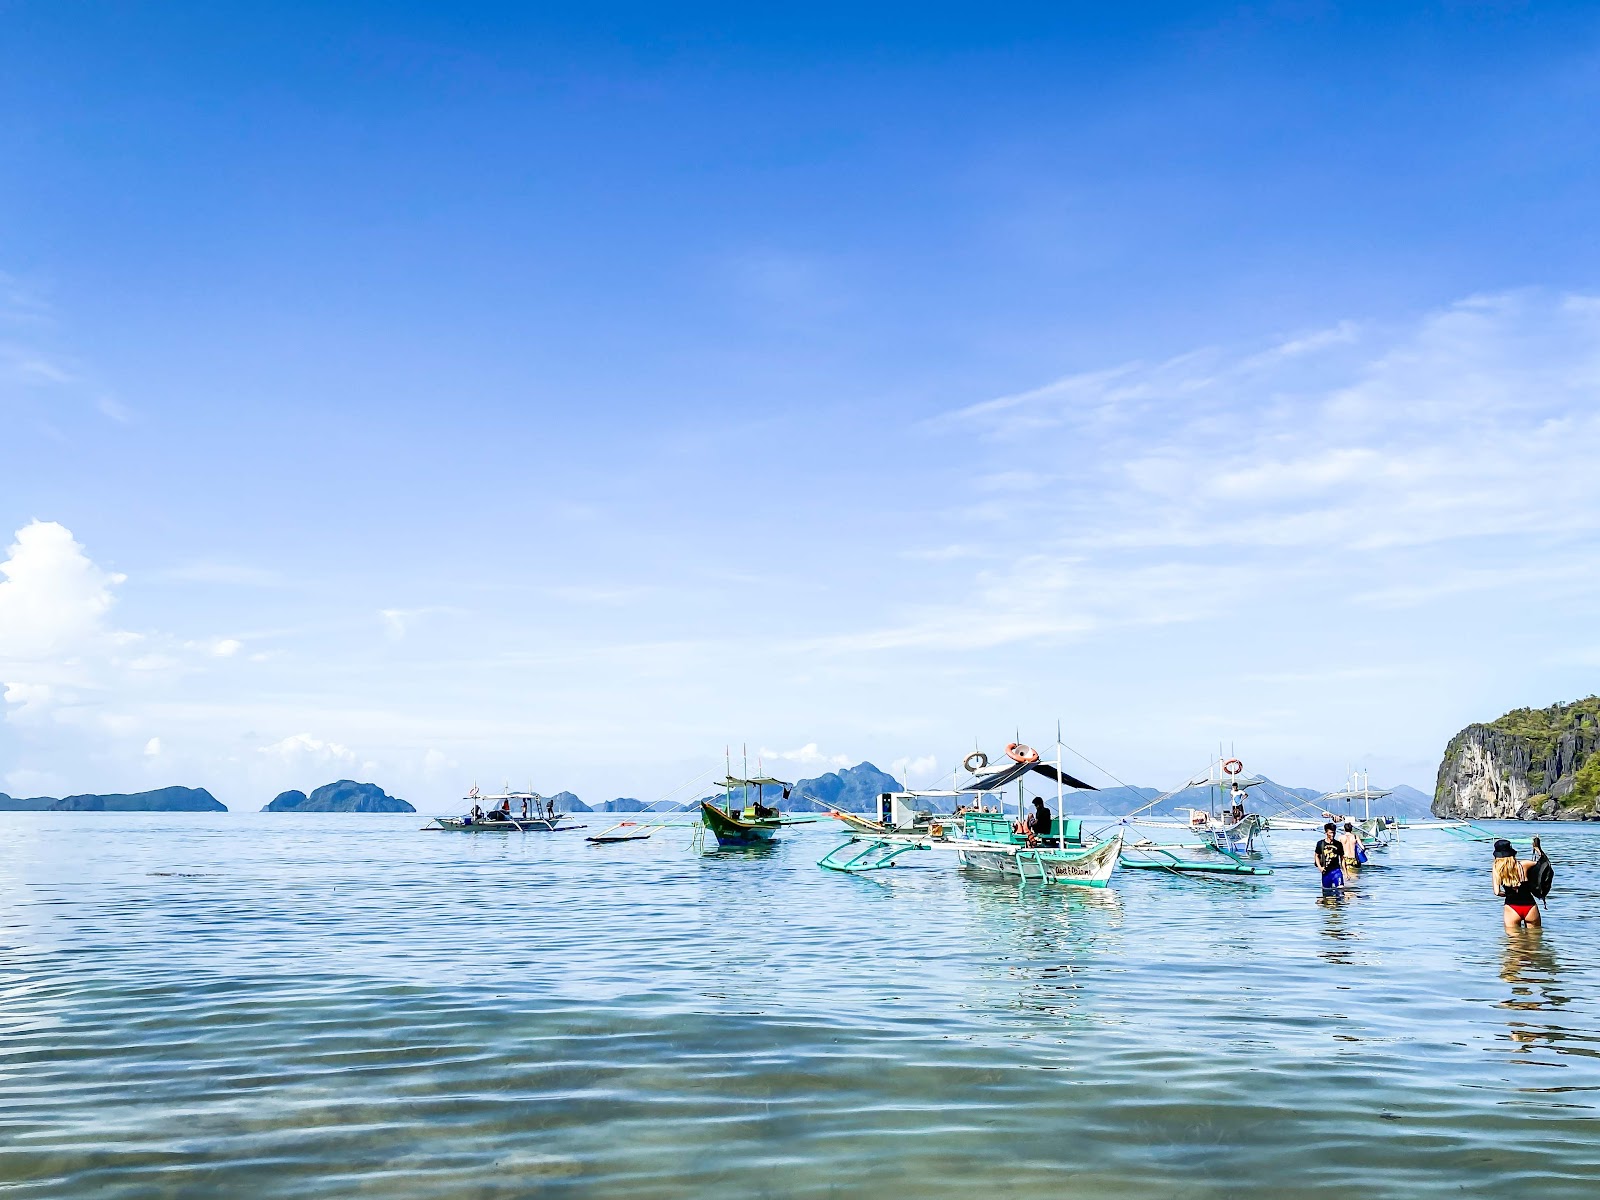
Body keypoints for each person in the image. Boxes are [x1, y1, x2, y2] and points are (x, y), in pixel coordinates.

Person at [1493, 839, 1542, 929]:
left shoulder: (1497, 869)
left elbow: (1497, 892)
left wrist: (1508, 894)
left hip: (1511, 908)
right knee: (1535, 941)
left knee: (1514, 941)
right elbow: (1544, 864)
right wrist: (1537, 848)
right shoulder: (1525, 864)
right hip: (1530, 906)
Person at [1314, 822, 1345, 891]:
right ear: (1326, 833)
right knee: (1327, 893)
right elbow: (1316, 856)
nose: (1333, 835)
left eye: (1334, 833)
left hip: (1336, 871)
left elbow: (1342, 858)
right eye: (1330, 833)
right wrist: (1320, 867)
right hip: (1326, 871)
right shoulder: (1320, 843)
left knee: (1341, 890)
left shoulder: (1338, 844)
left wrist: (1345, 872)